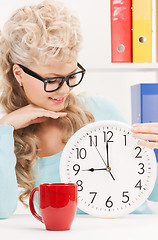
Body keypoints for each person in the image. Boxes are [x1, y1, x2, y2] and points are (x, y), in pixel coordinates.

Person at [0, 0, 155, 219]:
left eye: (71, 76)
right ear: (19, 74)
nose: (64, 89)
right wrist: (5, 128)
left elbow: (151, 189)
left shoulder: (100, 111)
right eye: (52, 80)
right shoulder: (8, 135)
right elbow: (1, 210)